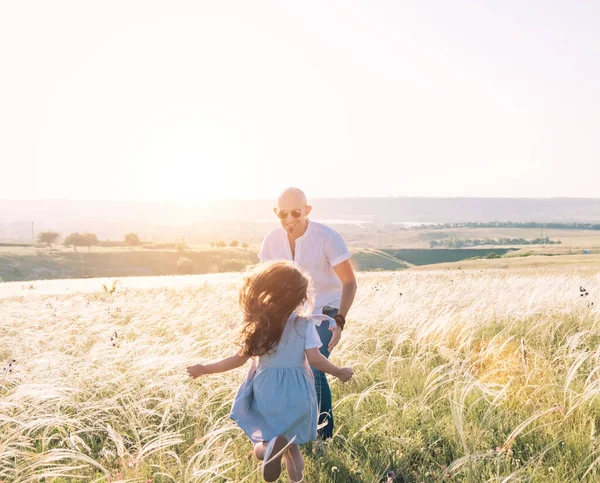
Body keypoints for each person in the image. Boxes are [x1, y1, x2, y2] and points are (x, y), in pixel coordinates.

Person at [187, 261, 353, 482]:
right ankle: (295, 477)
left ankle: (267, 451)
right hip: (299, 392)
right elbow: (316, 359)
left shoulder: (259, 326)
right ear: (300, 297)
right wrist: (339, 371)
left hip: (268, 393)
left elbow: (236, 360)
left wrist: (204, 369)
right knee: (292, 448)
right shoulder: (305, 325)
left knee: (264, 442)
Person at [258, 187, 357, 439]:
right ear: (275, 213)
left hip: (326, 311)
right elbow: (264, 283)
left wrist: (340, 321)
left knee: (315, 365)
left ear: (307, 210)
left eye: (295, 213)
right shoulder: (271, 240)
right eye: (282, 214)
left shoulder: (327, 238)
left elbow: (349, 283)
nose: (289, 220)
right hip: (289, 313)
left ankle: (324, 436)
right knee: (288, 369)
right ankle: (292, 433)